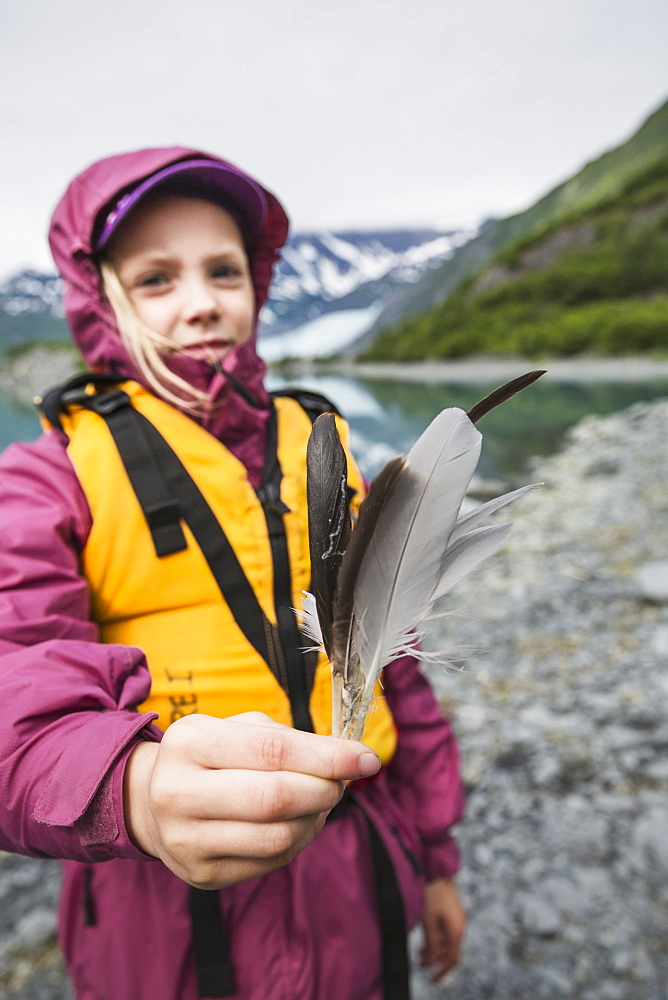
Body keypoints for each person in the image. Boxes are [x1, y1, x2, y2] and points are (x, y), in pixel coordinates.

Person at [0, 147, 466, 1000]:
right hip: (163, 914)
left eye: (223, 270)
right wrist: (132, 789)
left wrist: (436, 861)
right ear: (101, 295)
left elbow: (397, 666)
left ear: (256, 285)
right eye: (156, 279)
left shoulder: (323, 450)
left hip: (356, 874)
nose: (202, 303)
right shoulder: (48, 476)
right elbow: (12, 669)